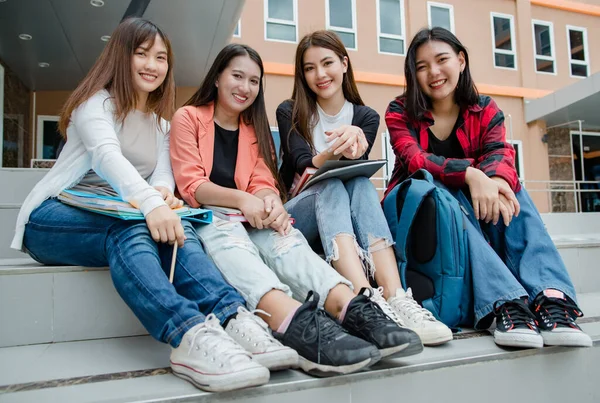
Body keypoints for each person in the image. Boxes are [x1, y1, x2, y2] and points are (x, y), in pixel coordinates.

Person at [11, 18, 276, 393]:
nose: (153, 65)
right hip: (54, 217)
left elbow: (163, 177)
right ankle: (187, 334)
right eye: (142, 54)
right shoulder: (95, 105)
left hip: (121, 213)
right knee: (134, 224)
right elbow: (107, 158)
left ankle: (233, 317)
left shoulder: (161, 125)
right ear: (121, 57)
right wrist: (152, 204)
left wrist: (164, 197)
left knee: (178, 225)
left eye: (161, 57)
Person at [169, 43, 423, 377]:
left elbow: (262, 178)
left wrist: (270, 201)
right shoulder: (187, 118)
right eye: (237, 76)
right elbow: (192, 185)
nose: (245, 87)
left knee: (287, 242)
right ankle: (295, 323)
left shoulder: (251, 129)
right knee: (234, 244)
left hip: (253, 216)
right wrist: (244, 199)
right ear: (217, 77)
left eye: (254, 81)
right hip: (209, 218)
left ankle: (349, 306)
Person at [384, 27, 592, 348]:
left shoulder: (485, 108)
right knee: (447, 191)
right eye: (422, 66)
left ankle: (551, 297)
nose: (433, 72)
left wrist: (493, 180)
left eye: (442, 60)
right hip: (422, 214)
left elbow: (499, 152)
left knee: (511, 189)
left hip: (474, 211)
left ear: (461, 61)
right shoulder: (400, 111)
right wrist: (471, 174)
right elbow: (416, 161)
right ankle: (506, 304)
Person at [276, 30, 452, 346]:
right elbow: (303, 163)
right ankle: (364, 299)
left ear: (344, 64)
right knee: (329, 183)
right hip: (294, 219)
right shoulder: (291, 110)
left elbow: (357, 165)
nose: (320, 74)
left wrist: (355, 144)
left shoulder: (365, 116)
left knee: (358, 182)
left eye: (327, 63)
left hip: (341, 217)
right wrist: (335, 149)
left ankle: (396, 298)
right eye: (309, 67)